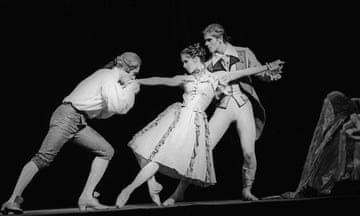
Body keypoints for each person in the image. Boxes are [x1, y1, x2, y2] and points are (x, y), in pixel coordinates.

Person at [114, 43, 283, 208]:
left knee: (170, 159)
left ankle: (148, 189)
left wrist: (268, 66)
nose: (183, 65)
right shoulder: (184, 78)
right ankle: (131, 189)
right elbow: (162, 80)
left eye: (186, 61)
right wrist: (138, 81)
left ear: (196, 59)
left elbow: (246, 71)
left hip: (195, 126)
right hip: (178, 120)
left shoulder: (216, 77)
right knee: (156, 156)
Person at [0, 52, 142, 214]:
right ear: (125, 68)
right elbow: (118, 108)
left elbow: (105, 113)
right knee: (43, 157)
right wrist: (130, 90)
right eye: (133, 73)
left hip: (78, 120)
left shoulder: (110, 80)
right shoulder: (108, 76)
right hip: (68, 116)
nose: (133, 77)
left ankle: (87, 196)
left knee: (106, 151)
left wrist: (126, 89)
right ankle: (11, 200)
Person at [162, 23, 282, 206]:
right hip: (224, 107)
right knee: (202, 148)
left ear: (220, 38)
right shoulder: (208, 64)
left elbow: (259, 73)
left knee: (249, 152)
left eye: (209, 40)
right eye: (206, 41)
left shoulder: (243, 53)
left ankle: (247, 189)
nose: (207, 44)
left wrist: (271, 74)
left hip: (243, 104)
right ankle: (179, 192)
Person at [281, 91, 360, 199]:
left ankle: (325, 188)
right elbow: (327, 136)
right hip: (334, 152)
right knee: (322, 166)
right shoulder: (339, 118)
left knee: (332, 168)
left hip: (344, 154)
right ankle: (315, 187)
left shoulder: (351, 116)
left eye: (332, 106)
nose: (330, 110)